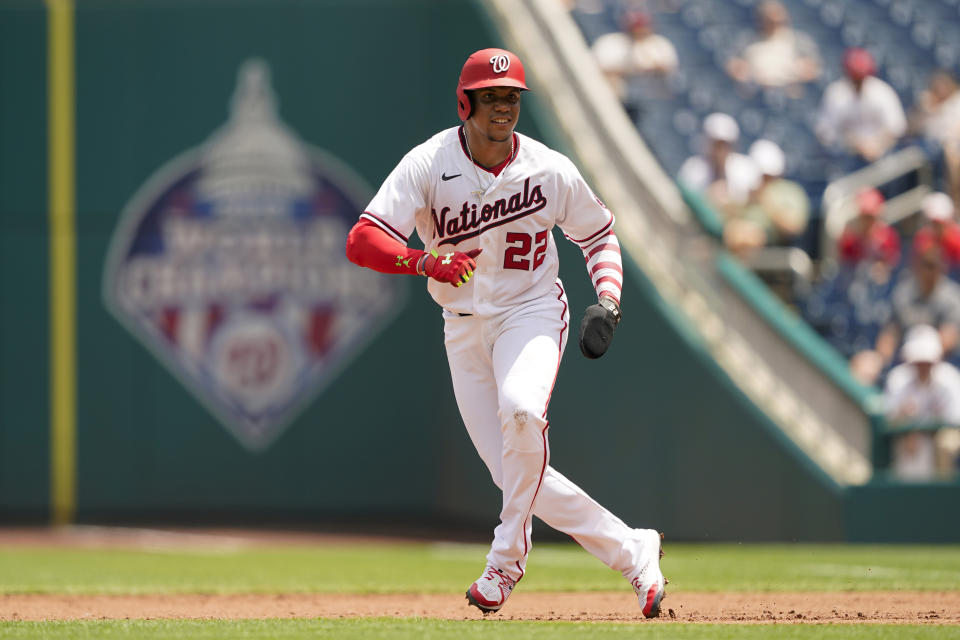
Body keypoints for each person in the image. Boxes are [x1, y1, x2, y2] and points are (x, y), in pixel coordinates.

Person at [345, 48, 666, 617]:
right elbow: (362, 240)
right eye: (492, 97)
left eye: (512, 97)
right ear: (466, 102)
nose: (503, 108)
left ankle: (505, 560)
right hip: (462, 326)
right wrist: (422, 262)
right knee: (520, 473)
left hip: (532, 310)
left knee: (522, 412)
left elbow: (598, 235)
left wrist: (609, 301)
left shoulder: (548, 168)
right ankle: (634, 549)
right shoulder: (428, 163)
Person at [855, 245, 960, 384]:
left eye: (933, 265)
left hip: (937, 365)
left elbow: (948, 338)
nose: (929, 271)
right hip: (905, 361)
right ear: (917, 266)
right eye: (926, 265)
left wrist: (921, 361)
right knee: (865, 367)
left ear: (942, 268)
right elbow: (890, 332)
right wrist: (880, 360)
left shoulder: (951, 296)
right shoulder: (904, 293)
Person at [884, 324, 960, 481]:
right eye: (919, 360)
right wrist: (907, 422)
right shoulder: (898, 379)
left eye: (927, 361)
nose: (923, 365)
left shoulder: (949, 378)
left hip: (942, 435)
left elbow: (955, 420)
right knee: (908, 443)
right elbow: (888, 419)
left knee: (945, 442)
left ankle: (944, 494)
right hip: (909, 438)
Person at [815, 48, 907, 173]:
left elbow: (897, 126)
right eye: (855, 76)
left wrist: (877, 144)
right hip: (847, 155)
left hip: (882, 152)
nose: (858, 81)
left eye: (860, 77)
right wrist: (855, 143)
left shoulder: (881, 91)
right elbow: (825, 131)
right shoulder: (836, 93)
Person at [590, 10, 678, 122]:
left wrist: (651, 67)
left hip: (644, 107)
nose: (639, 31)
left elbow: (668, 77)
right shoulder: (612, 43)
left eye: (642, 27)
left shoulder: (660, 47)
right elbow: (594, 69)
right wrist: (628, 71)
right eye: (635, 28)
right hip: (612, 99)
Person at [725, 1, 821, 92]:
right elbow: (734, 66)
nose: (773, 24)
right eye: (768, 20)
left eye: (777, 20)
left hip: (789, 91)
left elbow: (813, 69)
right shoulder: (747, 41)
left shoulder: (799, 40)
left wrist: (796, 73)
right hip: (757, 91)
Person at [678, 112, 759, 217]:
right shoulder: (693, 169)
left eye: (725, 145)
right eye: (717, 145)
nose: (721, 151)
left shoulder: (746, 169)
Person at [836, 187, 901, 269]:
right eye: (865, 217)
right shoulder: (849, 239)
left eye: (871, 217)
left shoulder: (887, 237)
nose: (868, 221)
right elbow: (845, 265)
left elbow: (892, 264)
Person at [911, 191, 960, 270]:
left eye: (939, 223)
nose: (936, 227)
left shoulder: (957, 239)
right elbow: (917, 268)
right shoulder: (922, 238)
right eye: (933, 223)